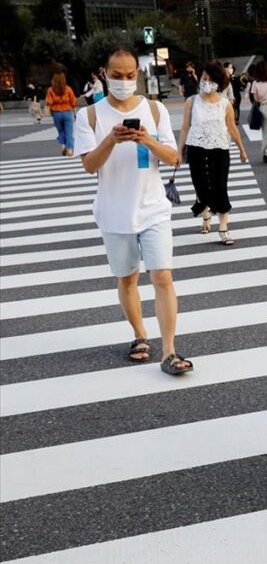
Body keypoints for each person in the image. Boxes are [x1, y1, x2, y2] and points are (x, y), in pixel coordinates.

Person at [74, 46, 191, 375]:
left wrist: (147, 141)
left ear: (136, 75)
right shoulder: (90, 116)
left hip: (154, 207)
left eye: (129, 76)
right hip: (114, 211)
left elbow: (173, 158)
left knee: (163, 276)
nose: (124, 81)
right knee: (127, 280)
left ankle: (169, 350)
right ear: (105, 74)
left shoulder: (154, 110)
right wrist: (111, 140)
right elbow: (88, 166)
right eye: (117, 76)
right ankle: (140, 335)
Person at [177, 61, 248, 246]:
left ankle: (223, 228)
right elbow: (185, 128)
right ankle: (205, 211)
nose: (206, 82)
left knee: (220, 187)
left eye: (210, 79)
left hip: (220, 149)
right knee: (201, 186)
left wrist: (241, 149)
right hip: (196, 149)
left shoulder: (225, 104)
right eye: (203, 78)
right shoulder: (191, 102)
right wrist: (179, 152)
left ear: (218, 82)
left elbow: (232, 128)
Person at [45, 71, 77, 156]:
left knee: (61, 131)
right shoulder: (68, 89)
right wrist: (74, 112)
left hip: (56, 113)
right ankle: (69, 149)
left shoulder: (51, 90)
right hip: (67, 112)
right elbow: (73, 102)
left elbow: (49, 102)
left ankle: (63, 146)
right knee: (69, 131)